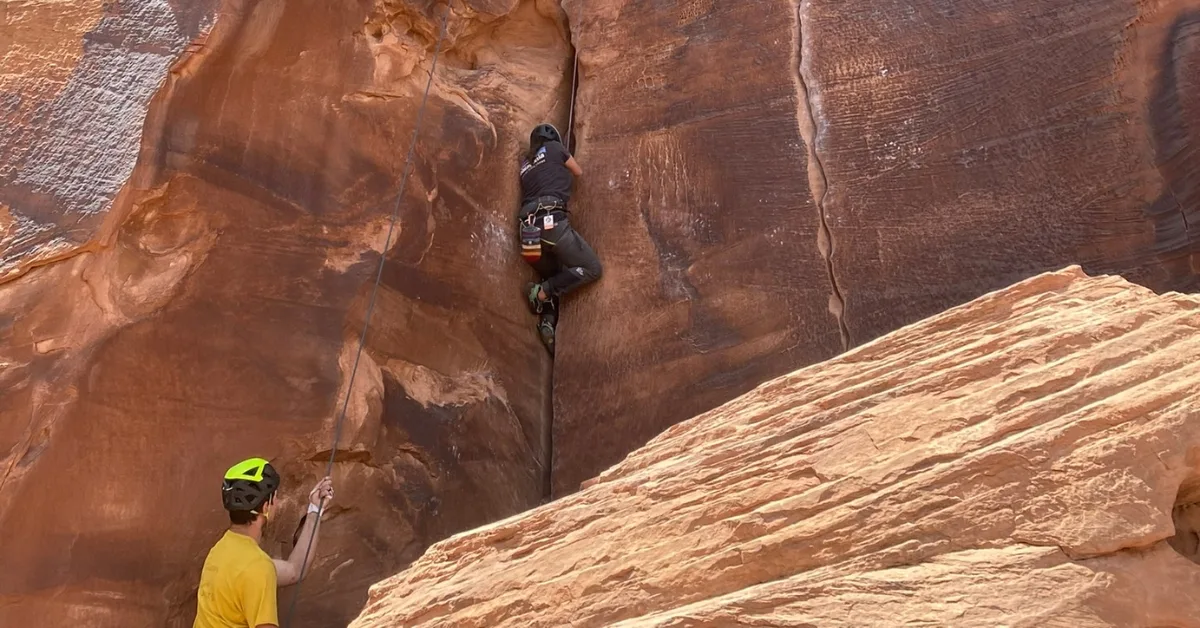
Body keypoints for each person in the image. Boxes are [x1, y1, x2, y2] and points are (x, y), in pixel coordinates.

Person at [193, 457, 334, 628]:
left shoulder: (220, 550)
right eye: (275, 497)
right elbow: (260, 572)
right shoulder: (257, 567)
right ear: (266, 507)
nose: (277, 502)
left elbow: (295, 570)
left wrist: (314, 510)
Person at [517, 122, 602, 354]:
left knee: (556, 273)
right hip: (551, 223)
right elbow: (578, 171)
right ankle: (541, 293)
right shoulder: (555, 148)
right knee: (591, 268)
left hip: (527, 233)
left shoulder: (525, 163)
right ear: (553, 138)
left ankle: (547, 321)